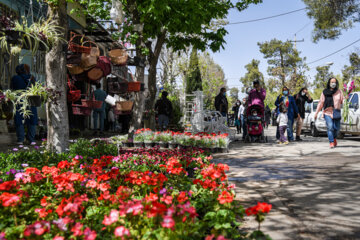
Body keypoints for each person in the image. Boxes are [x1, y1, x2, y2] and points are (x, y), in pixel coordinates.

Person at [314, 77, 346, 149]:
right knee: (330, 127)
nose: (333, 83)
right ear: (329, 83)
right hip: (327, 112)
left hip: (336, 112)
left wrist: (346, 100)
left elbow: (342, 100)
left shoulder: (339, 91)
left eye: (334, 82)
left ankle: (334, 138)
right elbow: (321, 103)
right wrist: (316, 113)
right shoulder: (324, 92)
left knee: (337, 128)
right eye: (332, 82)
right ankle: (331, 142)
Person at [11, 64, 37, 145]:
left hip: (19, 100)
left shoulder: (15, 78)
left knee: (19, 119)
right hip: (31, 100)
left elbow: (12, 88)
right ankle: (31, 140)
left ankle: (20, 140)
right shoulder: (32, 77)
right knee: (32, 119)